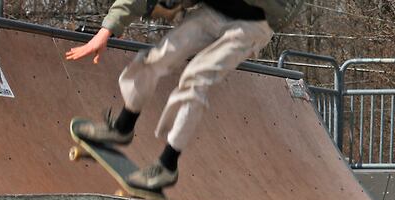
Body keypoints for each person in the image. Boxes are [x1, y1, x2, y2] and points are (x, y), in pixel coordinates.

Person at [65, 0, 303, 190]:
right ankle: (122, 127)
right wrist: (107, 30)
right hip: (213, 12)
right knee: (155, 59)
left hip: (254, 23)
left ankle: (167, 165)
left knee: (196, 77)